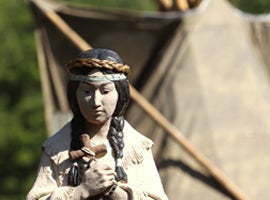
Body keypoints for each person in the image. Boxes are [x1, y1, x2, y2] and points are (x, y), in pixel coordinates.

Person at [27, 48, 168, 200]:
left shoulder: (137, 147)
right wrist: (82, 190)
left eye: (105, 91)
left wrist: (113, 191)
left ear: (120, 94)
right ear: (74, 95)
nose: (96, 102)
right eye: (87, 92)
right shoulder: (56, 149)